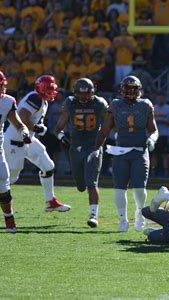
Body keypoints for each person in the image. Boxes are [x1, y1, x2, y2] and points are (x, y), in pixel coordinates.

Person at [95, 76, 158, 232]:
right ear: (122, 90)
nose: (130, 92)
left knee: (139, 188)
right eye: (128, 88)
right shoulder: (115, 105)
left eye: (133, 89)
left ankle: (139, 214)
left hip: (139, 151)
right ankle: (123, 220)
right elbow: (104, 131)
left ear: (139, 90)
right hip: (121, 152)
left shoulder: (145, 105)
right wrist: (96, 149)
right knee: (119, 188)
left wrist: (152, 140)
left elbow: (153, 130)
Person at [4, 75, 71, 212]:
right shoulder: (36, 98)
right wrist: (36, 128)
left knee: (48, 166)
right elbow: (22, 117)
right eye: (48, 88)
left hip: (28, 139)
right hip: (15, 140)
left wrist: (35, 129)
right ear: (40, 88)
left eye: (52, 88)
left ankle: (50, 201)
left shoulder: (42, 100)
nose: (51, 91)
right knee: (11, 178)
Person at [54, 78, 108, 227]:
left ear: (92, 92)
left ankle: (93, 215)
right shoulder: (70, 103)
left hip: (93, 145)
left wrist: (101, 143)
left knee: (91, 182)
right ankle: (86, 194)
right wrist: (62, 138)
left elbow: (108, 124)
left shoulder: (100, 103)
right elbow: (58, 128)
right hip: (76, 146)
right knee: (80, 185)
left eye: (87, 93)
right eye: (80, 94)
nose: (83, 97)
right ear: (75, 92)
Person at [0, 69, 31, 232]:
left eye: (2, 85)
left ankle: (9, 222)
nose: (1, 88)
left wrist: (24, 132)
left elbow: (18, 123)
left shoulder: (7, 101)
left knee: (3, 185)